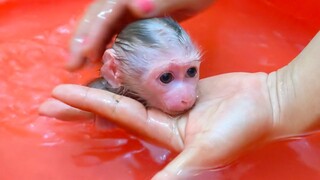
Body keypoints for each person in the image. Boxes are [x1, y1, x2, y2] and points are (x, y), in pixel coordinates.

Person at [39, 0, 320, 179]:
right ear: (114, 72)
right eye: (165, 78)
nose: (187, 94)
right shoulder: (103, 95)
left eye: (191, 72)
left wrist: (279, 102)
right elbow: (53, 113)